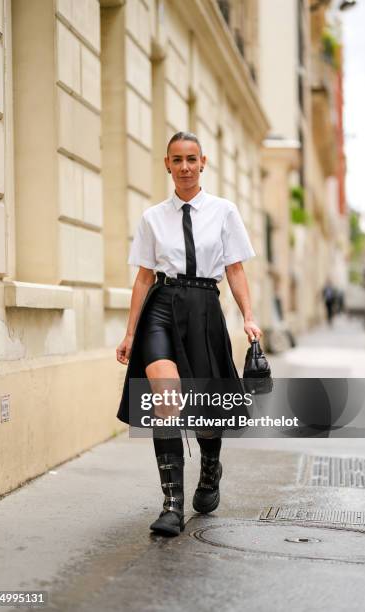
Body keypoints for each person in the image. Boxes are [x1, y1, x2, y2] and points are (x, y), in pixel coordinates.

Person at [116, 131, 262, 536]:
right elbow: (144, 278)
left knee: (204, 403)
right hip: (162, 306)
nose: (184, 167)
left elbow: (234, 268)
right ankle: (172, 505)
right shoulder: (152, 217)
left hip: (204, 307)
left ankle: (210, 469)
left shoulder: (224, 211)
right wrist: (130, 333)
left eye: (191, 159)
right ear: (167, 164)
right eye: (177, 160)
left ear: (203, 163)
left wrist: (249, 316)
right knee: (165, 395)